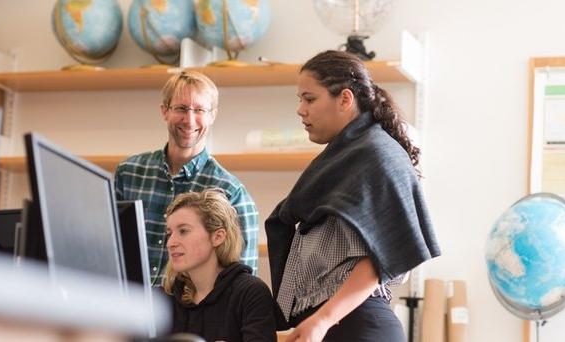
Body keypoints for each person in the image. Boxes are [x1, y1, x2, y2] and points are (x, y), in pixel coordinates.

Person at [266, 50, 441, 342]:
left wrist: (322, 320)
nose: (301, 110)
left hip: (354, 327)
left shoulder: (375, 155)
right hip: (333, 325)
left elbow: (378, 259)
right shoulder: (346, 158)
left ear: (345, 99)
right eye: (300, 100)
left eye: (310, 99)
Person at [114, 71, 259, 285]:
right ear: (165, 111)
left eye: (199, 110)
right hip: (127, 310)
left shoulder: (231, 192)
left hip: (192, 316)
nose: (189, 120)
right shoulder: (128, 173)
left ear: (212, 115)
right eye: (181, 108)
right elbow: (105, 246)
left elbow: (242, 284)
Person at [163, 189, 276, 342]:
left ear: (217, 237)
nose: (170, 243)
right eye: (169, 233)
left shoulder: (251, 292)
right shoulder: (163, 297)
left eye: (183, 231)